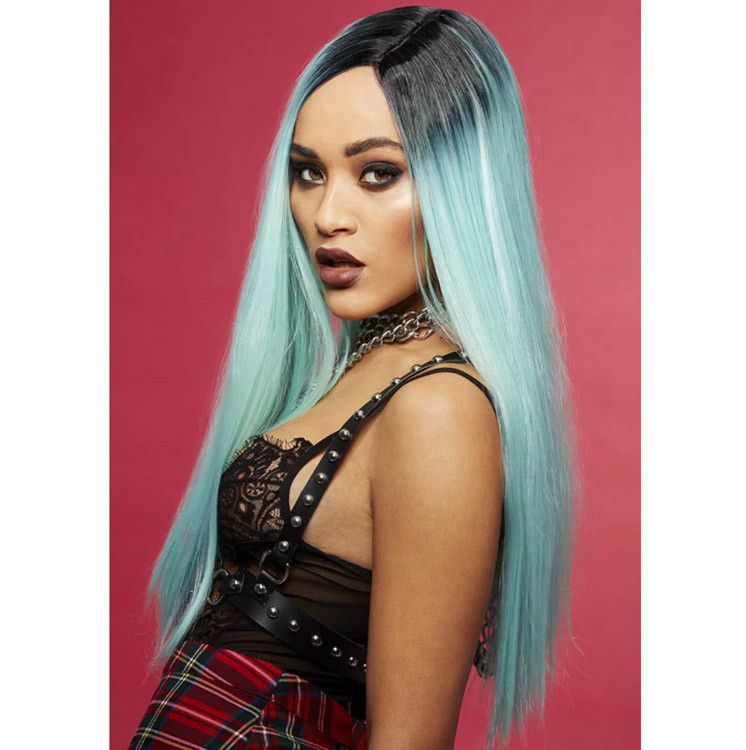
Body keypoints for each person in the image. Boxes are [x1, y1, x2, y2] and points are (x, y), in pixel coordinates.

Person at [129, 6, 577, 749]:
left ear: (465, 187)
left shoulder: (438, 407)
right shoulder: (370, 367)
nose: (327, 215)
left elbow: (409, 740)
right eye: (308, 173)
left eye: (378, 174)